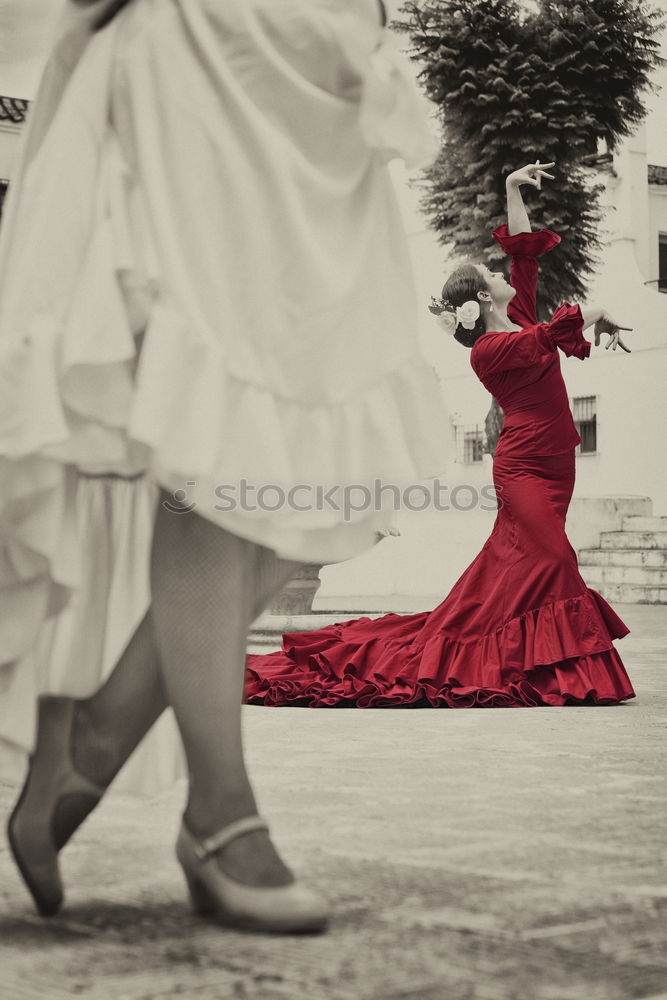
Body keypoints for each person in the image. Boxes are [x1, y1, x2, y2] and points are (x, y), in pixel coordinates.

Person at [0, 0, 451, 932]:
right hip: (212, 44)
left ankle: (94, 731)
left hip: (324, 59)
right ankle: (218, 809)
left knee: (318, 462)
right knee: (219, 432)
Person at [243, 161, 636, 710]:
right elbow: (556, 332)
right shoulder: (489, 350)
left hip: (556, 462)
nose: (500, 271)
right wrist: (603, 311)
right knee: (552, 558)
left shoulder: (517, 312)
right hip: (522, 468)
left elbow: (522, 250)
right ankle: (564, 670)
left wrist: (510, 188)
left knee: (517, 570)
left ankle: (537, 666)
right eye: (488, 271)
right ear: (479, 298)